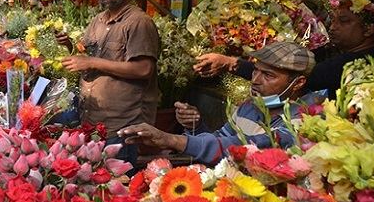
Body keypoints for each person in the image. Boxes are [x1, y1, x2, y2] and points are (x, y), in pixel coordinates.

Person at [119, 41, 324, 166]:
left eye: (268, 75)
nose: (255, 80)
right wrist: (195, 125)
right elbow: (220, 141)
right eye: (255, 71)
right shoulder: (249, 107)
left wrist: (171, 140)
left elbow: (243, 147)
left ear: (298, 83)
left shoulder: (306, 122)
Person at [56, 0, 160, 169]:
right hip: (92, 120)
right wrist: (68, 45)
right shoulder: (97, 21)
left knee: (117, 188)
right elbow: (87, 57)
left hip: (121, 125)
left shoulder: (139, 22)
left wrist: (92, 61)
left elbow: (143, 69)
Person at [194, 0, 374, 99]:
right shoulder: (343, 54)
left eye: (344, 21)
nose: (332, 27)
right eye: (332, 20)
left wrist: (230, 63)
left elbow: (297, 76)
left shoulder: (359, 63)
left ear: (369, 29)